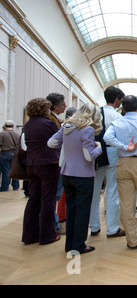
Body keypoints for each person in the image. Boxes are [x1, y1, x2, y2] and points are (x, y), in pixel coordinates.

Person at [104, 95, 137, 249]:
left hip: (123, 163)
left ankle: (132, 240)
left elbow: (106, 137)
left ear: (122, 109)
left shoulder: (117, 122)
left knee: (126, 204)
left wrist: (123, 146)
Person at [48, 103, 103, 254]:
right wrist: (98, 147)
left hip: (67, 173)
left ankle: (70, 245)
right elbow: (88, 156)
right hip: (83, 175)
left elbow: (51, 143)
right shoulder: (87, 129)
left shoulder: (67, 126)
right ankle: (79, 245)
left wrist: (68, 147)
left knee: (71, 209)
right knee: (83, 210)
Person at [22, 98, 60, 246]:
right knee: (48, 200)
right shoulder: (48, 123)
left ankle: (29, 235)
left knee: (33, 200)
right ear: (45, 109)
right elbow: (58, 140)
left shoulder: (28, 124)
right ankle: (47, 235)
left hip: (31, 165)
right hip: (48, 164)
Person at [90, 86, 126, 238]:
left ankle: (94, 226)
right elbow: (120, 137)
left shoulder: (95, 113)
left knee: (94, 190)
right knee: (112, 190)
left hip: (96, 152)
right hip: (112, 152)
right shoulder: (117, 116)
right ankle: (112, 228)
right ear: (116, 99)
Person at [46, 93, 67, 235]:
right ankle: (54, 224)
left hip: (51, 160)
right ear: (55, 106)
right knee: (54, 194)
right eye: (63, 104)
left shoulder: (54, 119)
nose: (65, 106)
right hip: (53, 160)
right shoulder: (51, 121)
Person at [0, 120, 21, 192]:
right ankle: (15, 186)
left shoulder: (2, 134)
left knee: (6, 171)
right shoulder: (17, 134)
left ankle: (4, 187)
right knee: (14, 170)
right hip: (15, 154)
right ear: (13, 126)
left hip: (5, 153)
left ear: (5, 126)